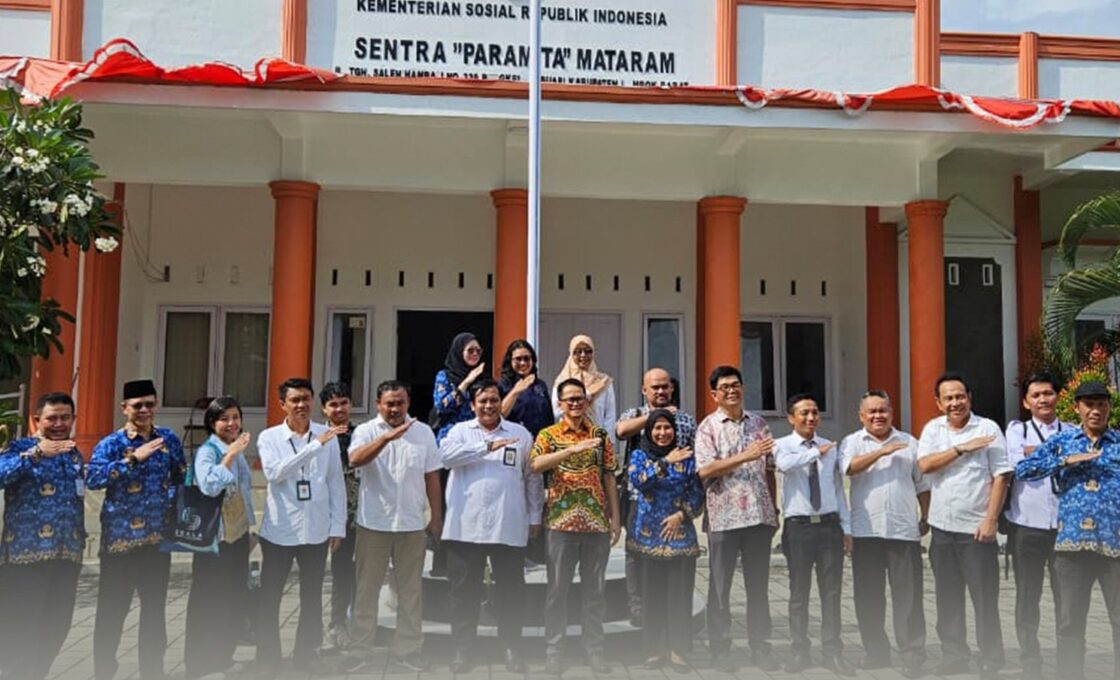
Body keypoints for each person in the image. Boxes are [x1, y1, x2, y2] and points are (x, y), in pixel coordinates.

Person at [1016, 380, 1120, 680]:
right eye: (1089, 404)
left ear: (1109, 407)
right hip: (1071, 547)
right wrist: (1063, 461)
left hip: (1114, 546)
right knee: (1070, 623)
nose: (1095, 410)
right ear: (1076, 408)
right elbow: (1023, 469)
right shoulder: (1063, 441)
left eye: (1101, 404)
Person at [439, 378, 544, 674]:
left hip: (507, 522)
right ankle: (462, 649)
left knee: (511, 591)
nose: (488, 406)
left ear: (502, 402)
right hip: (465, 526)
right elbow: (445, 458)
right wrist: (487, 446)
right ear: (473, 405)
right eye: (482, 401)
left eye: (494, 400)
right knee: (463, 591)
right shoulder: (459, 431)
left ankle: (511, 647)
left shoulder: (520, 434)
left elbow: (532, 478)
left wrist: (535, 516)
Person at [88, 379, 186, 680]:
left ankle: (153, 672)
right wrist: (132, 459)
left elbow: (179, 476)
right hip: (120, 542)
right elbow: (94, 479)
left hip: (156, 541)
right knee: (112, 612)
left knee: (154, 611)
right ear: (124, 408)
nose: (144, 410)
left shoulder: (168, 439)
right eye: (137, 405)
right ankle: (104, 672)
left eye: (149, 404)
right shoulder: (111, 443)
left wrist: (171, 504)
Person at [343, 380, 443, 673]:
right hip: (374, 523)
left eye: (400, 403)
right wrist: (386, 439)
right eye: (389, 403)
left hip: (411, 523)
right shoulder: (366, 431)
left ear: (408, 402)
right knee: (367, 590)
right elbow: (355, 459)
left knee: (411, 591)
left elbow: (432, 477)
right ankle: (360, 648)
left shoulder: (423, 432)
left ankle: (409, 649)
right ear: (378, 404)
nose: (395, 409)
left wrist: (436, 516)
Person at [917, 373, 1010, 680]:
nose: (955, 402)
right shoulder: (933, 429)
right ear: (938, 402)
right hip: (942, 528)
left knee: (984, 599)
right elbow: (925, 465)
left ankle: (991, 659)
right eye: (948, 398)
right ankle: (954, 656)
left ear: (969, 397)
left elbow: (1001, 476)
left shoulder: (988, 428)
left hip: (976, 531)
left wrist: (991, 519)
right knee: (948, 597)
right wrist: (961, 449)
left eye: (960, 396)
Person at [255, 378, 348, 676]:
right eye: (294, 400)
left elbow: (335, 482)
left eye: (306, 398)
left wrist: (338, 526)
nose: (301, 405)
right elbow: (275, 474)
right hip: (280, 531)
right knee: (270, 597)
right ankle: (268, 657)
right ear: (282, 404)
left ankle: (306, 655)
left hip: (316, 529)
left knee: (312, 597)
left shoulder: (325, 434)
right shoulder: (269, 437)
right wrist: (313, 448)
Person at [694, 365, 781, 673]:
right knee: (720, 588)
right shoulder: (707, 427)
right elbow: (704, 470)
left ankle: (761, 646)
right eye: (725, 387)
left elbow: (769, 469)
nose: (732, 390)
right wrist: (745, 455)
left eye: (736, 385)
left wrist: (774, 509)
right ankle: (720, 649)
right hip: (724, 517)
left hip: (759, 516)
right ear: (714, 394)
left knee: (758, 586)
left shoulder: (759, 423)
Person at [531, 377, 621, 675]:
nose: (575, 403)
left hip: (596, 524)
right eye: (569, 399)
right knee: (557, 591)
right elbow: (535, 465)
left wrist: (616, 517)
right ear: (560, 403)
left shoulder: (600, 435)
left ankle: (594, 650)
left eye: (579, 398)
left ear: (586, 401)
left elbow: (609, 476)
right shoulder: (549, 434)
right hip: (561, 523)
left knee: (595, 592)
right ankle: (554, 651)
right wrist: (570, 450)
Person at [840, 390, 928, 678]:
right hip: (866, 531)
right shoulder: (852, 442)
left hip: (903, 530)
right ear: (861, 416)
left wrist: (925, 516)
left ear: (892, 412)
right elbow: (849, 468)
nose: (878, 416)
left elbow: (922, 484)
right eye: (872, 411)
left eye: (883, 410)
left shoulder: (910, 443)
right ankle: (876, 652)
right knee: (868, 597)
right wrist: (881, 452)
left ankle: (912, 653)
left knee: (909, 596)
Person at [0, 392, 86, 680]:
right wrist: (37, 453)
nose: (59, 424)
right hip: (25, 558)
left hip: (66, 555)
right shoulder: (19, 448)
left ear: (73, 419)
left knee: (56, 626)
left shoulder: (73, 453)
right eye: (52, 418)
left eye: (65, 418)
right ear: (36, 420)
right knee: (21, 630)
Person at [775, 394, 856, 676]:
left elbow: (837, 488)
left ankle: (833, 652)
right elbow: (785, 465)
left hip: (829, 526)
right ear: (791, 418)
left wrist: (846, 527)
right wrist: (814, 453)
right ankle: (800, 651)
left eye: (815, 413)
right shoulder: (782, 445)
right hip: (799, 527)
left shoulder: (829, 447)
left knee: (831, 592)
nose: (811, 418)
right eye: (804, 413)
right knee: (799, 592)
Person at [615, 367, 697, 627]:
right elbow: (621, 431)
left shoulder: (685, 420)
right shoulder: (634, 414)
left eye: (665, 386)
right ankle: (638, 607)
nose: (661, 391)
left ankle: (666, 611)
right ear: (644, 390)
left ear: (672, 388)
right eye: (655, 387)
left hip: (674, 501)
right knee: (635, 553)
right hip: (637, 495)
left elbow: (694, 458)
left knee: (668, 557)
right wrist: (653, 417)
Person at [1003, 372, 1072, 680]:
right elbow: (1020, 466)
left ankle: (1068, 661)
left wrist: (1036, 453)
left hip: (1065, 526)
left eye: (1048, 393)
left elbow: (1035, 460)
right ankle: (1030, 661)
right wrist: (1062, 456)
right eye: (1036, 395)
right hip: (1027, 526)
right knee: (1027, 596)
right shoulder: (1017, 430)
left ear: (1058, 396)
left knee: (1067, 597)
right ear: (1026, 401)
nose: (1043, 399)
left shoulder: (1072, 430)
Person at [183, 396, 255, 680]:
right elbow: (210, 487)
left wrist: (249, 530)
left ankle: (222, 658)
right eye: (224, 419)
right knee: (209, 601)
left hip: (235, 536)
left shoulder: (233, 448)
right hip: (214, 539)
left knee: (232, 598)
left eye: (236, 417)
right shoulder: (208, 451)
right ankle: (199, 665)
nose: (232, 423)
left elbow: (243, 493)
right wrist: (230, 456)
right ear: (212, 423)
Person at [626, 409, 704, 672]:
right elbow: (639, 481)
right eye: (657, 428)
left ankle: (678, 650)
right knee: (652, 597)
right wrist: (665, 462)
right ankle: (653, 649)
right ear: (649, 431)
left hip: (680, 536)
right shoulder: (640, 455)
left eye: (667, 428)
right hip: (648, 536)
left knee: (679, 597)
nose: (662, 433)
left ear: (675, 430)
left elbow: (697, 494)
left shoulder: (688, 456)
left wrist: (681, 515)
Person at [319, 382, 358, 649]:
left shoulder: (362, 434)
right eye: (333, 404)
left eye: (343, 402)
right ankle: (333, 625)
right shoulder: (317, 437)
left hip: (357, 514)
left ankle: (350, 623)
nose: (339, 408)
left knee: (353, 572)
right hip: (326, 515)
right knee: (334, 572)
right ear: (324, 409)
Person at [552, 334, 617, 444]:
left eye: (588, 351)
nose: (583, 355)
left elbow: (610, 416)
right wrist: (587, 395)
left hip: (596, 440)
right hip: (568, 440)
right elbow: (556, 412)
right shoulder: (562, 381)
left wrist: (607, 443)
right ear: (571, 353)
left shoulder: (604, 382)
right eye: (578, 351)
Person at [433, 332, 487, 444]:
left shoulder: (483, 377)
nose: (475, 354)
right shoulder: (445, 376)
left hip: (477, 437)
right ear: (459, 351)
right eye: (470, 351)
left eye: (478, 351)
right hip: (450, 436)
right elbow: (442, 406)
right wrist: (466, 382)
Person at [498, 338, 554, 439]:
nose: (523, 363)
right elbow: (499, 416)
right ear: (510, 361)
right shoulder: (503, 385)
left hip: (540, 442)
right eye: (518, 359)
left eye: (526, 358)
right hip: (514, 440)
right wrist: (515, 391)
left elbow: (549, 417)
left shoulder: (540, 385)